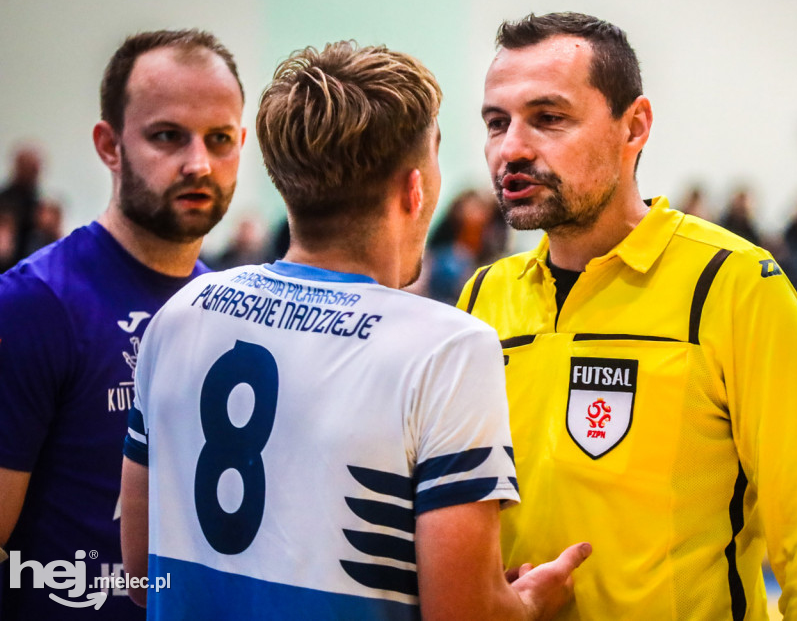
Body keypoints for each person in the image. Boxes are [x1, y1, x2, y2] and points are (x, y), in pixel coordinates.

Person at [120, 40, 589, 620]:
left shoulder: (181, 311)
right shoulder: (447, 347)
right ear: (415, 190)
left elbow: (140, 573)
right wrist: (529, 602)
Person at [460, 12, 797, 620]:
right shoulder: (481, 298)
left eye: (548, 118)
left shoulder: (734, 286)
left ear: (635, 127)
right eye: (497, 123)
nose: (511, 148)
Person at [0, 29, 246, 619]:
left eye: (219, 140)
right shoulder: (32, 305)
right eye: (168, 136)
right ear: (109, 146)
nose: (198, 163)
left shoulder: (225, 307)